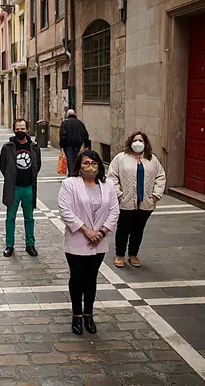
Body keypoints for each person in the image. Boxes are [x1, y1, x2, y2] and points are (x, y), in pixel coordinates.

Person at [58, 150, 120, 335]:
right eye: (86, 163)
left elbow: (114, 211)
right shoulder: (70, 184)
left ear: (100, 165)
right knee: (77, 278)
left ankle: (88, 314)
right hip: (77, 239)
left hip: (98, 241)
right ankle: (76, 315)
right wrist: (86, 230)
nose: (90, 167)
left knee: (91, 278)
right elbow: (65, 210)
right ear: (80, 165)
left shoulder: (107, 185)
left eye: (94, 163)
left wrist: (101, 232)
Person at [107, 131, 166, 268]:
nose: (138, 143)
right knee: (123, 229)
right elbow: (112, 177)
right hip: (126, 201)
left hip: (145, 202)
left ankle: (133, 254)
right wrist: (119, 194)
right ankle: (120, 255)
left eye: (141, 140)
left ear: (145, 143)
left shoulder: (152, 159)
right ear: (130, 142)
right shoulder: (120, 158)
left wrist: (156, 195)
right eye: (135, 140)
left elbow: (160, 176)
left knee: (138, 230)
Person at [0, 119, 42, 257]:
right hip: (13, 188)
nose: (20, 131)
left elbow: (37, 165)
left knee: (29, 217)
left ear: (27, 130)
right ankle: (9, 245)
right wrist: (10, 177)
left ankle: (30, 244)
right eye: (17, 129)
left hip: (29, 187)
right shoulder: (8, 147)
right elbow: (2, 166)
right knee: (10, 217)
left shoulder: (34, 147)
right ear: (14, 130)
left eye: (22, 129)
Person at [59, 109, 90, 177]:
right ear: (74, 114)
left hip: (68, 145)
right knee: (75, 159)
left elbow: (62, 135)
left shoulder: (65, 123)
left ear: (67, 115)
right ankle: (75, 173)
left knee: (70, 160)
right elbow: (85, 134)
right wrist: (86, 144)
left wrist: (61, 145)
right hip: (77, 144)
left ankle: (71, 175)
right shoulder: (79, 123)